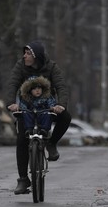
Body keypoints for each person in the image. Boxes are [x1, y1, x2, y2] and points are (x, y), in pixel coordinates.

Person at [6, 41, 72, 195]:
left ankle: (51, 143)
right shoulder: (20, 66)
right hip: (27, 107)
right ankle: (23, 180)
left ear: (36, 56)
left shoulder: (51, 67)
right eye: (25, 53)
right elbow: (12, 84)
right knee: (22, 139)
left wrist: (60, 105)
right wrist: (11, 103)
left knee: (66, 117)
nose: (24, 56)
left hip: (47, 106)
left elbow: (61, 86)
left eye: (28, 54)